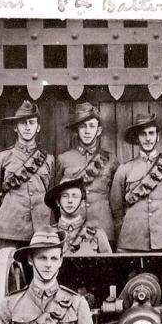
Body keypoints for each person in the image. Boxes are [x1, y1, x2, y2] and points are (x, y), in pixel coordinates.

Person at [110, 112, 162, 251]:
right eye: (143, 134)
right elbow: (116, 208)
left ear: (157, 137)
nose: (147, 138)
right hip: (132, 241)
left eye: (151, 133)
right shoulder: (124, 170)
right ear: (137, 138)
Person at [0, 100, 55, 249]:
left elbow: (52, 194)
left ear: (38, 127)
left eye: (32, 122)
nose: (28, 127)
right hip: (9, 230)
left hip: (41, 228)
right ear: (15, 128)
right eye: (23, 123)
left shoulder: (48, 159)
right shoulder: (2, 157)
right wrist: (4, 219)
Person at [54, 102, 119, 245]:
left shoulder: (111, 159)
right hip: (72, 230)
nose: (87, 131)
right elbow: (55, 197)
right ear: (77, 130)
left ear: (99, 130)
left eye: (91, 126)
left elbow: (117, 199)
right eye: (83, 127)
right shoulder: (64, 159)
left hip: (103, 228)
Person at [44, 175, 112, 255]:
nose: (70, 201)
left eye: (75, 196)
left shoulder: (97, 235)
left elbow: (109, 265)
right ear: (58, 202)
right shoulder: (46, 234)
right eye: (65, 196)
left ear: (82, 202)